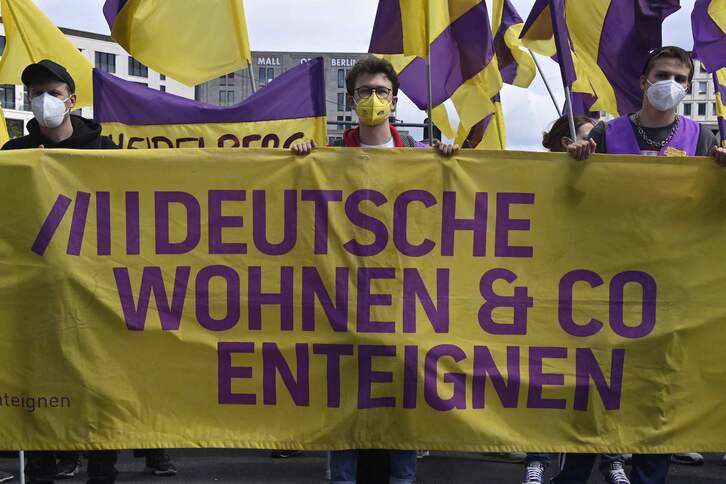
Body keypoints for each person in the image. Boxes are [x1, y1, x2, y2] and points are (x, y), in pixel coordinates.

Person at [563, 46, 726, 484]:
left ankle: (647, 476)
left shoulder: (705, 141)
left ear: (688, 87)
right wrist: (576, 165)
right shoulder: (607, 133)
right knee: (594, 387)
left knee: (659, 391)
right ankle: (575, 472)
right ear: (643, 81)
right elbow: (574, 200)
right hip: (609, 284)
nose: (669, 82)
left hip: (671, 288)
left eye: (679, 76)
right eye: (662, 73)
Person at [293, 56, 458, 484]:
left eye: (381, 92)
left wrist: (448, 163)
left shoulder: (421, 159)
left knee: (400, 415)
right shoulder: (327, 159)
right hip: (342, 307)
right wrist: (299, 161)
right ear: (351, 100)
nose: (373, 99)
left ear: (395, 100)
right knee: (344, 413)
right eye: (364, 92)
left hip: (402, 305)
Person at [4, 59, 119, 484]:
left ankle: (102, 472)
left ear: (71, 99)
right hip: (36, 297)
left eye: (51, 92)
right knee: (38, 389)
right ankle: (40, 473)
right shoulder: (14, 156)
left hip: (97, 294)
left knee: (99, 390)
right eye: (35, 93)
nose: (43, 101)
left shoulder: (107, 154)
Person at [520, 114, 630, 484]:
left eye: (589, 141)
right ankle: (538, 457)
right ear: (557, 145)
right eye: (576, 140)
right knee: (546, 385)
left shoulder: (604, 185)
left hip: (593, 303)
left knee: (599, 386)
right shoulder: (533, 181)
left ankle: (612, 457)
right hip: (546, 302)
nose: (584, 147)